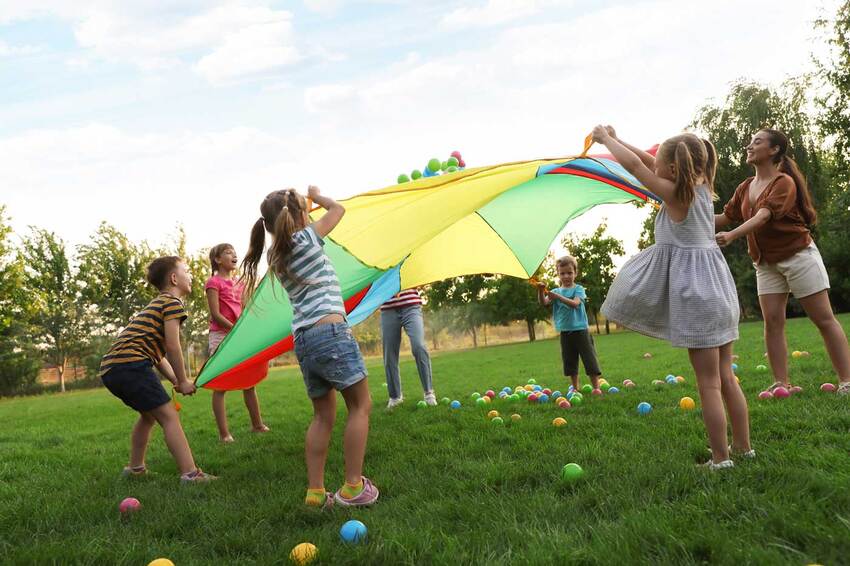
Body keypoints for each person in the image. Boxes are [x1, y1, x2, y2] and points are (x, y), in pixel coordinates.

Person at [594, 126, 751, 470]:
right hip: (720, 293)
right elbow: (648, 161)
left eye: (661, 165)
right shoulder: (702, 188)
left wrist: (606, 141)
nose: (654, 168)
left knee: (708, 384)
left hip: (698, 297)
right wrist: (617, 139)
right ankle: (742, 447)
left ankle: (721, 459)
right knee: (726, 378)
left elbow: (637, 167)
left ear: (673, 170)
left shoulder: (676, 196)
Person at [240, 186, 378, 508]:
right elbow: (339, 210)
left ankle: (316, 493)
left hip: (303, 340)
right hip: (330, 331)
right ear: (301, 216)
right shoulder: (307, 238)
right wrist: (320, 197)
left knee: (322, 417)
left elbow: (296, 225)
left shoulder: (276, 255)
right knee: (360, 406)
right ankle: (353, 487)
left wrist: (304, 207)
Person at [715, 128, 850, 395]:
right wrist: (684, 215)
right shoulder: (745, 187)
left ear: (774, 149)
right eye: (750, 142)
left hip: (798, 256)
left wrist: (732, 235)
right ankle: (780, 382)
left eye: (757, 142)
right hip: (765, 263)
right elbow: (723, 217)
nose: (749, 146)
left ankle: (847, 380)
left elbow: (764, 216)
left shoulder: (783, 182)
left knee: (823, 318)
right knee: (773, 323)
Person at [99, 256, 216, 482]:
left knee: (148, 416)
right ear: (174, 278)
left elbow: (157, 355)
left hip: (112, 368)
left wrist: (175, 380)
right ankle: (191, 475)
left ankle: (135, 470)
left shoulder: (156, 304)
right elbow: (173, 346)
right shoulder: (172, 303)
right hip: (131, 364)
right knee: (169, 416)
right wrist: (183, 380)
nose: (190, 275)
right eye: (186, 270)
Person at [205, 243, 269, 442]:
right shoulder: (213, 283)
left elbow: (243, 310)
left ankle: (257, 425)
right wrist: (235, 330)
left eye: (234, 252)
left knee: (249, 382)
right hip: (221, 335)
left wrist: (247, 329)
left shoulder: (239, 283)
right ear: (217, 260)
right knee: (221, 385)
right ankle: (224, 434)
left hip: (238, 335)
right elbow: (215, 314)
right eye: (228, 252)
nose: (234, 255)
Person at [537, 255, 603, 393]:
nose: (566, 276)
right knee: (570, 362)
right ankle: (575, 388)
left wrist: (558, 298)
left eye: (569, 273)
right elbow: (544, 302)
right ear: (558, 274)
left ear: (575, 273)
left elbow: (575, 304)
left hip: (581, 330)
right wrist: (540, 290)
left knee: (589, 359)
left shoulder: (578, 289)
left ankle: (596, 388)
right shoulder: (555, 291)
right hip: (565, 332)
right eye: (562, 273)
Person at [381, 288, 437, 409]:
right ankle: (395, 397)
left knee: (419, 346)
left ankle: (429, 393)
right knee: (389, 353)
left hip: (411, 306)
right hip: (388, 308)